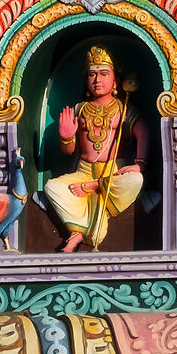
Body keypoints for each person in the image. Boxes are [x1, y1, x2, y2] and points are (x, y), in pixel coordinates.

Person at [44, 45, 148, 251]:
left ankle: (95, 188)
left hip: (113, 172)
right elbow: (69, 151)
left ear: (115, 80)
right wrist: (65, 138)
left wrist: (139, 164)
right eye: (92, 74)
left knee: (136, 179)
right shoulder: (79, 109)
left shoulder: (123, 108)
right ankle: (78, 231)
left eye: (103, 74)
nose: (97, 80)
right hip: (82, 172)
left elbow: (143, 132)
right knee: (52, 187)